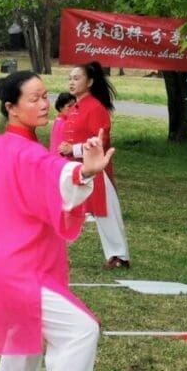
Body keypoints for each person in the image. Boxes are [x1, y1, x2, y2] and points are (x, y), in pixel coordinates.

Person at [0, 71, 114, 371]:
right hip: (19, 267)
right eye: (33, 98)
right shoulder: (27, 154)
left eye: (45, 96)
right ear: (11, 108)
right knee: (81, 330)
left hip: (0, 260)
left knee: (27, 321)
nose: (44, 103)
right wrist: (84, 171)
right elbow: (55, 174)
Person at [57, 61, 130, 269]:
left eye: (77, 78)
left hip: (96, 169)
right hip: (76, 169)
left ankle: (119, 256)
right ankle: (50, 251)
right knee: (62, 207)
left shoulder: (95, 108)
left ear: (89, 82)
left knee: (105, 211)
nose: (72, 82)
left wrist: (74, 149)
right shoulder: (76, 107)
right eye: (70, 78)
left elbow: (101, 141)